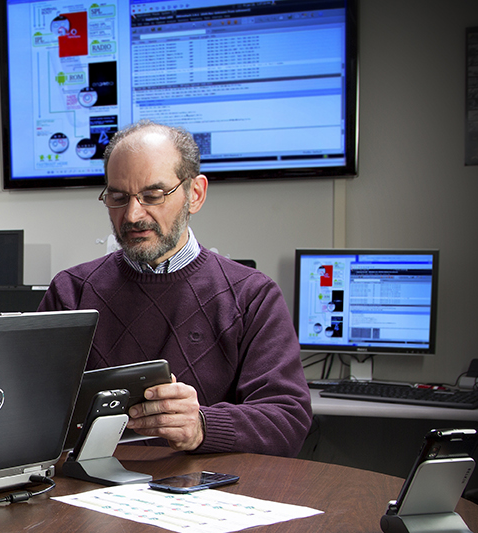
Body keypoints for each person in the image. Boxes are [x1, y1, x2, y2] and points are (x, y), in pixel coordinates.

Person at [38, 120, 312, 457]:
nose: (133, 214)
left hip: (210, 496)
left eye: (152, 195)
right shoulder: (72, 292)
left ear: (194, 195)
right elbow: (29, 410)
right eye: (118, 197)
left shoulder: (251, 295)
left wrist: (201, 426)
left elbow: (287, 421)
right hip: (90, 492)